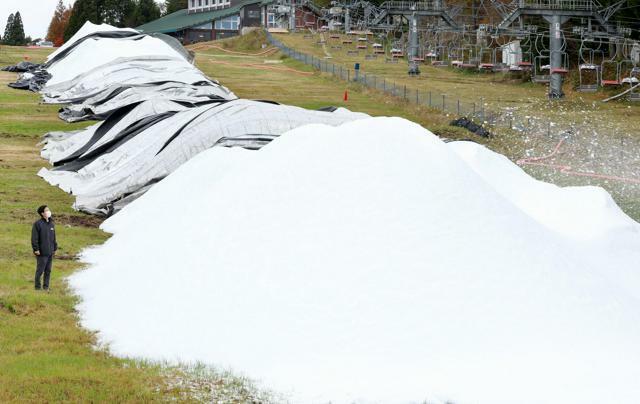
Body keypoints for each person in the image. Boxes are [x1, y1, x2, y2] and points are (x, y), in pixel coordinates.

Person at [31, 205, 57, 291]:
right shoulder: (37, 224)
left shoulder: (51, 223)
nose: (49, 211)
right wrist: (36, 249)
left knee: (48, 271)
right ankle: (37, 288)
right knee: (40, 271)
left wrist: (55, 248)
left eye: (48, 209)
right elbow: (34, 238)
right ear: (42, 213)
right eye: (46, 210)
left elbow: (53, 237)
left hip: (50, 252)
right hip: (41, 252)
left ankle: (46, 287)